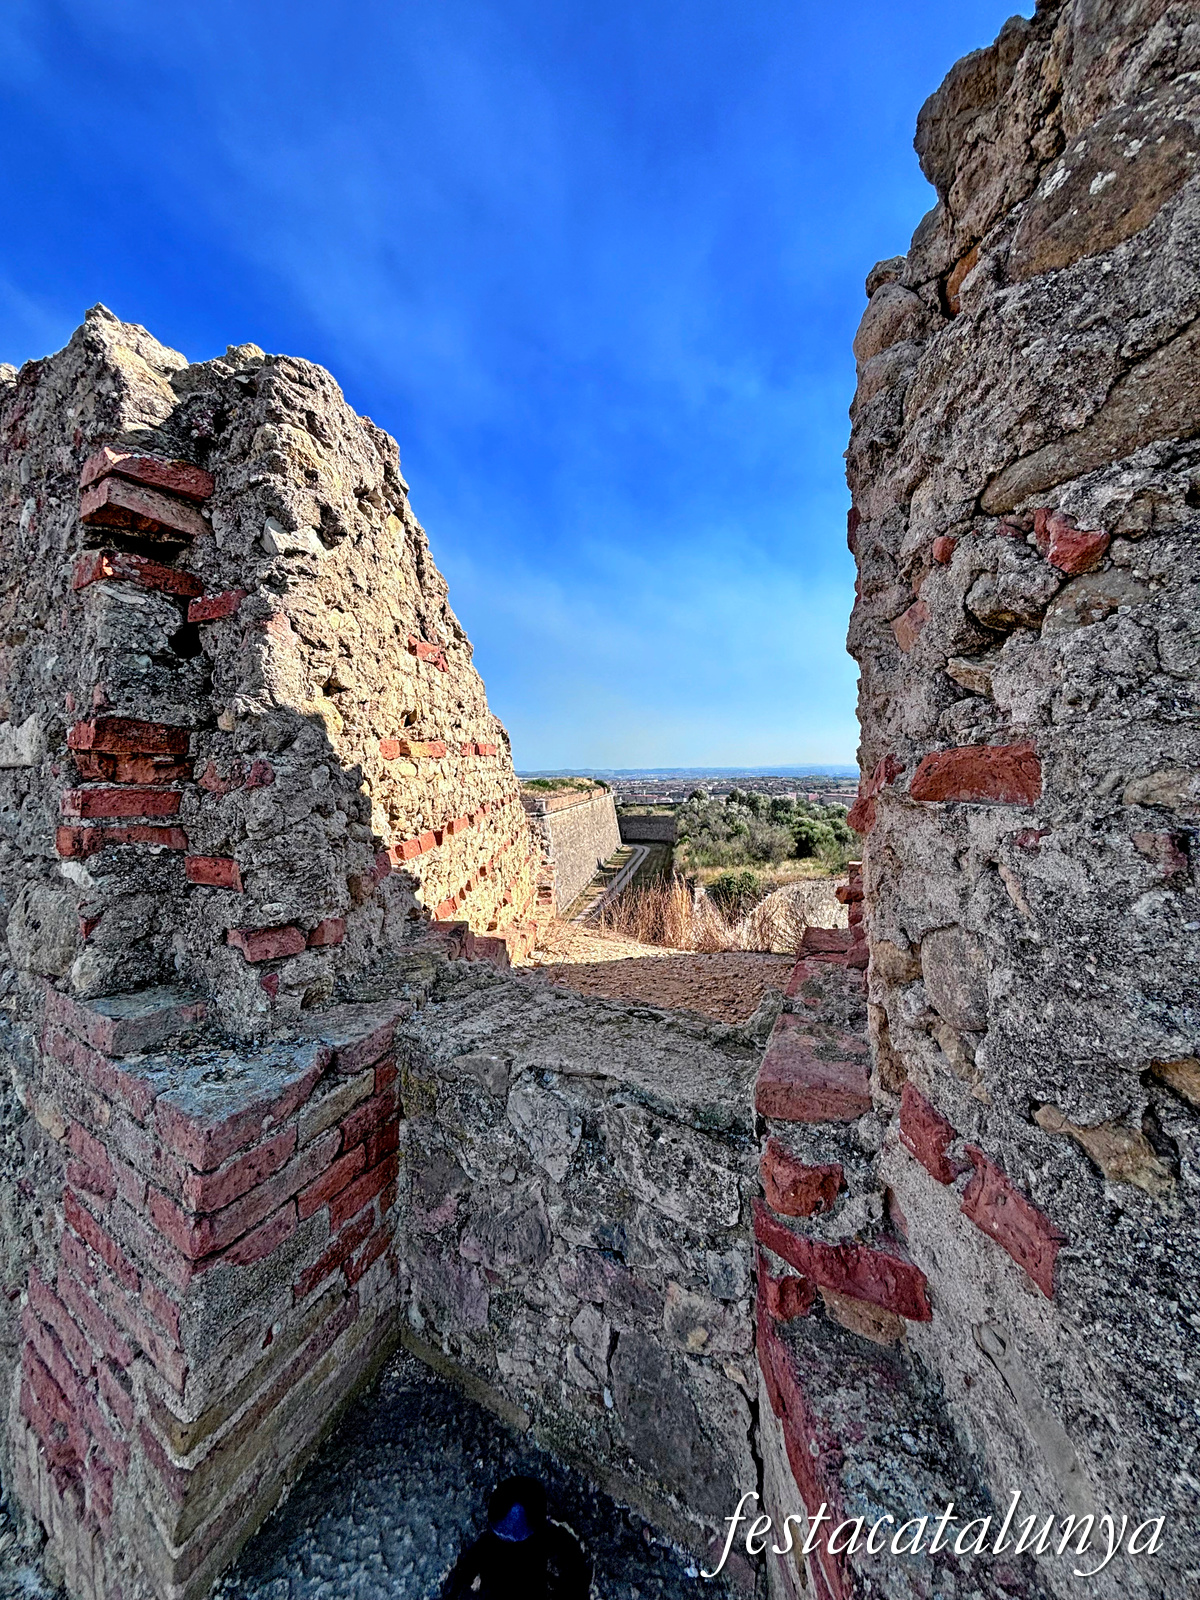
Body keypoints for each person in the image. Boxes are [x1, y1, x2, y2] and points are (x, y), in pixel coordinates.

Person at [441, 1475, 592, 1599]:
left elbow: (575, 1572)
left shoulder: (551, 1542)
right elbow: (464, 1571)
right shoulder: (488, 1545)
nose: (508, 1539)